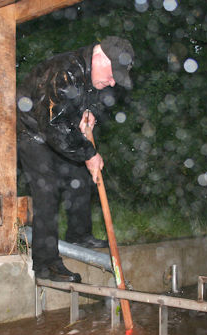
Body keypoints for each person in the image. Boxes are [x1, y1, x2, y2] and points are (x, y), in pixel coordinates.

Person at [16, 36, 134, 283]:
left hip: (58, 127)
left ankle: (79, 235)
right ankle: (45, 263)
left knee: (79, 176)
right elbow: (52, 124)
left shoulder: (93, 73)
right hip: (31, 130)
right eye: (113, 75)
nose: (112, 82)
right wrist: (89, 153)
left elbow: (89, 101)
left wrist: (90, 113)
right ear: (100, 57)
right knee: (47, 189)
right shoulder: (65, 72)